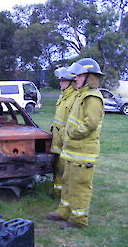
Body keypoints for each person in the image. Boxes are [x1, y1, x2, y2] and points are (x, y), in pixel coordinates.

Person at [47, 58, 104, 229]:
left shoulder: (93, 98)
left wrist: (71, 133)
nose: (75, 79)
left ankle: (78, 220)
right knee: (68, 182)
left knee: (80, 186)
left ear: (89, 77)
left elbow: (91, 123)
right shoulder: (80, 95)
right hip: (72, 150)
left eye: (79, 76)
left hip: (83, 152)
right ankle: (64, 211)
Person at [50, 67, 77, 199]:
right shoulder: (63, 97)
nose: (60, 83)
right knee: (57, 169)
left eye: (64, 81)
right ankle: (57, 194)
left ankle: (66, 197)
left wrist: (66, 138)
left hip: (66, 142)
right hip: (57, 141)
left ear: (71, 82)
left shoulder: (74, 98)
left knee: (65, 170)